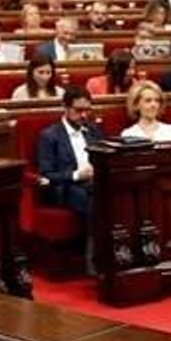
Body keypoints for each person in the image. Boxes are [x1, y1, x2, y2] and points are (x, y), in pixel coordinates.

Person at [36, 86, 103, 274]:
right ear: (65, 107)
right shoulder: (49, 136)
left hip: (95, 184)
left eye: (87, 110)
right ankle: (95, 260)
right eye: (78, 110)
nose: (84, 115)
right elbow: (47, 174)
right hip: (66, 187)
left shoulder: (94, 131)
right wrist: (76, 175)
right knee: (93, 201)